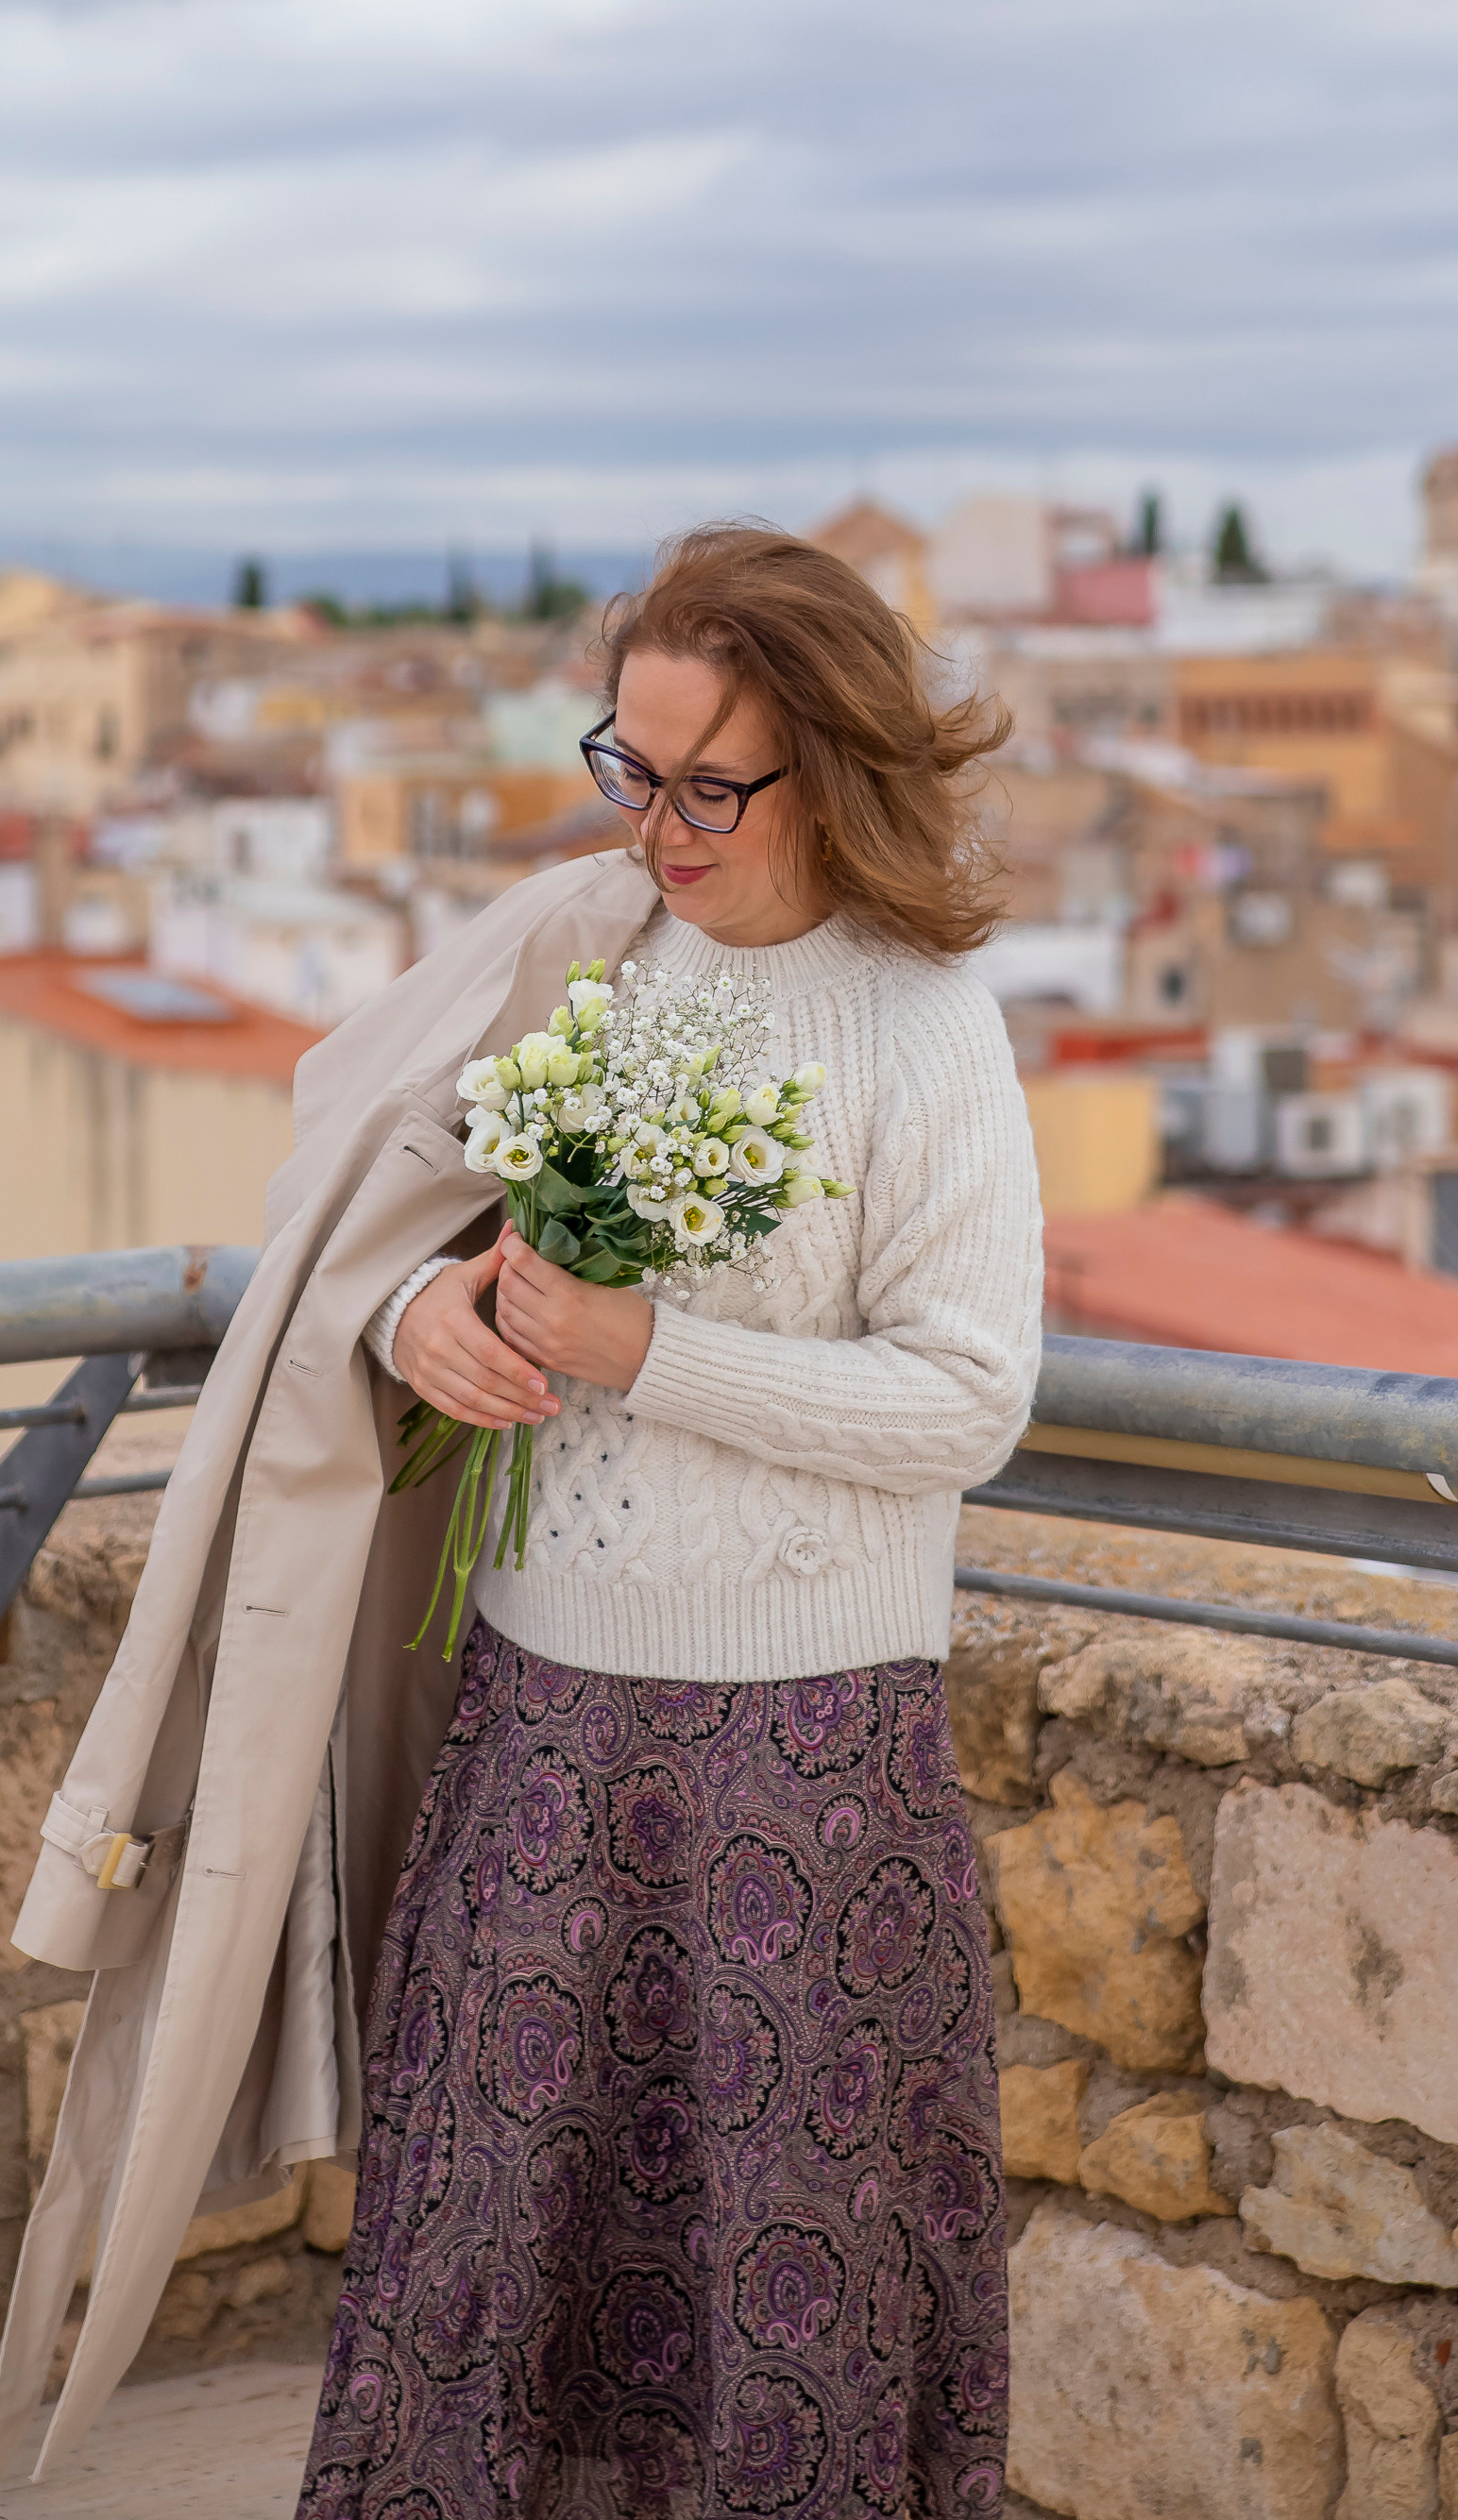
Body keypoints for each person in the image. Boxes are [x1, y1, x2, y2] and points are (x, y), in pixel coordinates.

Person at [297, 522, 1045, 2520]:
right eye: (628, 769)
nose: (660, 828)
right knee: (484, 2267)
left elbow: (971, 1399)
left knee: (795, 2296)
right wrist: (419, 1310)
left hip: (808, 1758)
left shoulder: (925, 1025)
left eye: (711, 784)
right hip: (539, 1717)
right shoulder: (583, 950)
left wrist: (645, 1351)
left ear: (838, 765)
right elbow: (352, 1197)